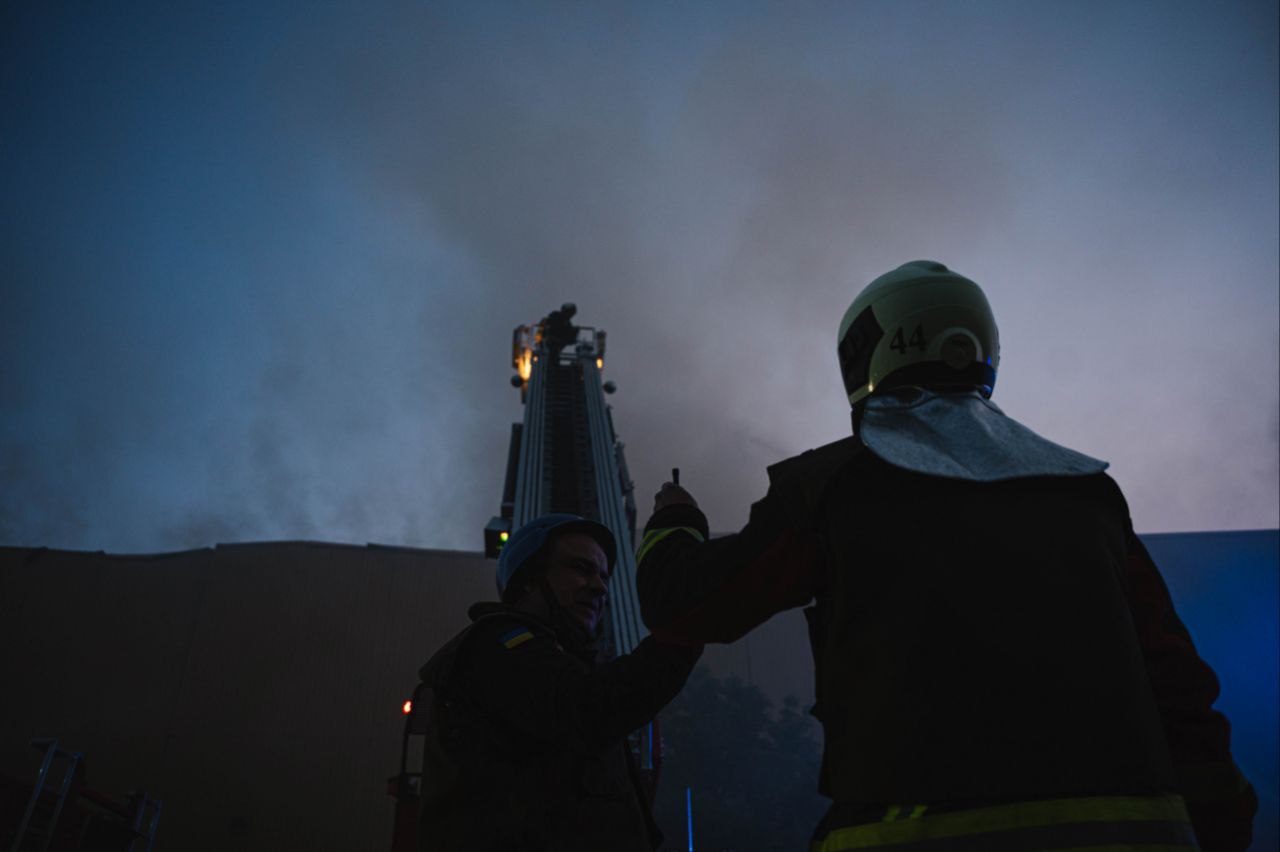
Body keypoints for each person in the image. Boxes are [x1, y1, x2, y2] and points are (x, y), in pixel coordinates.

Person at [635, 261, 1257, 851]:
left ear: (865, 353)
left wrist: (674, 521)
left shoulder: (831, 490)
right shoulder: (1088, 491)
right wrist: (1218, 824)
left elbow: (685, 607)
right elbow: (1179, 686)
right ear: (984, 350)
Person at [416, 513, 701, 851]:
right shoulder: (496, 647)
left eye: (603, 575)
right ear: (528, 581)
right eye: (581, 568)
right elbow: (590, 709)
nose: (599, 587)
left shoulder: (565, 666)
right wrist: (684, 629)